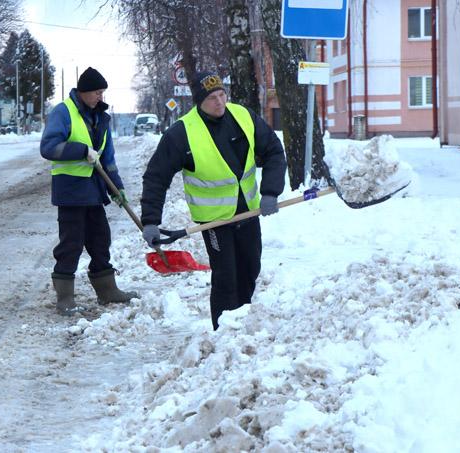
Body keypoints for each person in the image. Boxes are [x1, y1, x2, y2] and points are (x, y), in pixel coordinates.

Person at [140, 71, 287, 330]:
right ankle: (222, 330)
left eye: (222, 95)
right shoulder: (182, 133)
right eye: (211, 98)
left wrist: (271, 191)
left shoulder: (243, 117)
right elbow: (156, 177)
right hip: (214, 221)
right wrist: (151, 220)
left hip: (248, 212)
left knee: (250, 268)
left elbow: (274, 151)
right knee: (226, 276)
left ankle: (243, 322)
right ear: (199, 101)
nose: (219, 102)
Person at [40, 67, 138, 315]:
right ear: (83, 92)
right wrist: (81, 150)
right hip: (71, 191)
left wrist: (117, 187)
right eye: (96, 92)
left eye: (102, 92)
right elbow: (49, 147)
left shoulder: (101, 118)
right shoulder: (64, 112)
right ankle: (65, 298)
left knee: (100, 239)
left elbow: (108, 158)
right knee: (71, 244)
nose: (100, 97)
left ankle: (107, 291)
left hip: (94, 191)